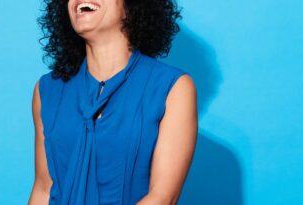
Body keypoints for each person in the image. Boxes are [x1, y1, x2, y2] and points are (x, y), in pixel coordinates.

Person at [28, 0, 197, 204]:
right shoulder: (46, 89)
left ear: (131, 7)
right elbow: (43, 189)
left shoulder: (174, 87)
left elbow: (162, 197)